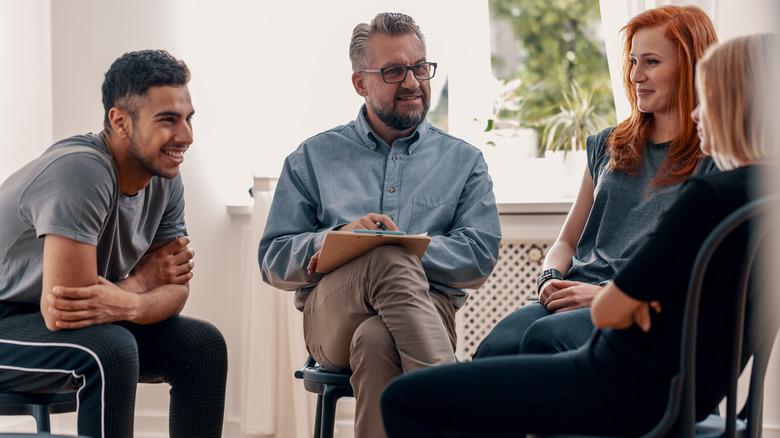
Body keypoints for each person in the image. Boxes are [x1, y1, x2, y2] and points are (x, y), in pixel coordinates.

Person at [381, 32, 779, 437]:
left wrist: (619, 296)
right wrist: (636, 296)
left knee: (402, 398)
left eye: (708, 99)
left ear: (738, 107)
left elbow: (608, 312)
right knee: (492, 359)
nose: (697, 113)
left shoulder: (708, 196)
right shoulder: (762, 200)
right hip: (673, 390)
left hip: (615, 385)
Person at [258, 12, 501, 438]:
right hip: (331, 314)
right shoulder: (311, 158)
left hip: (430, 312)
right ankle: (457, 414)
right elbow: (273, 259)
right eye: (393, 71)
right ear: (360, 82)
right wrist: (341, 240)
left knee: (376, 340)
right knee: (387, 256)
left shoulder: (464, 161)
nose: (412, 82)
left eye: (420, 67)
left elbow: (479, 258)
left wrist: (405, 247)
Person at [0, 50, 227, 438]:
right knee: (109, 349)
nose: (186, 135)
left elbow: (175, 288)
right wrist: (139, 284)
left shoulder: (165, 175)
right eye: (168, 120)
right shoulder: (81, 171)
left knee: (203, 346)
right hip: (9, 320)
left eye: (188, 118)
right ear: (120, 122)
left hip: (59, 321)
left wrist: (134, 303)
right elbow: (65, 311)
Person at [474, 5, 719, 358]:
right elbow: (567, 241)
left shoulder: (711, 161)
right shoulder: (608, 144)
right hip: (569, 293)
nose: (635, 76)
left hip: (632, 306)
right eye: (633, 61)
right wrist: (549, 279)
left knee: (544, 341)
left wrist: (607, 295)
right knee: (493, 349)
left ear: (692, 66)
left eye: (651, 62)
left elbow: (692, 272)